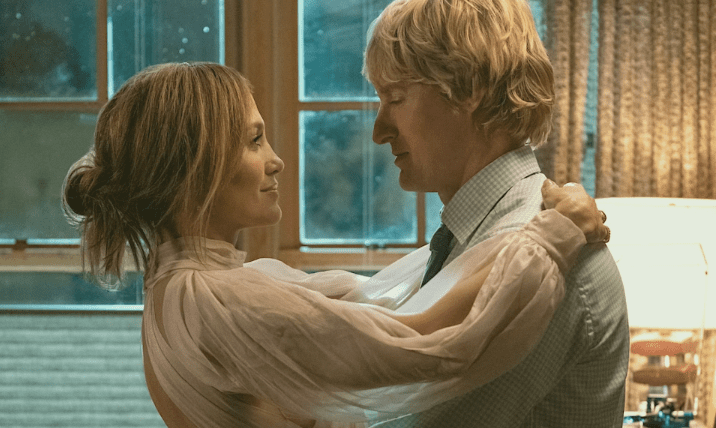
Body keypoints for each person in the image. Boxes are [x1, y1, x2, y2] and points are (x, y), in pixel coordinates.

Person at [62, 62, 609, 428]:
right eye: (254, 140)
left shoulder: (178, 293)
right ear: (192, 168)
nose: (276, 160)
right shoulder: (216, 299)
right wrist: (556, 233)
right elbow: (425, 341)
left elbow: (377, 307)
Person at [361, 0, 629, 426]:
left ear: (468, 88)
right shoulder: (489, 239)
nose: (379, 130)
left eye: (395, 98)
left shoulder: (538, 259)